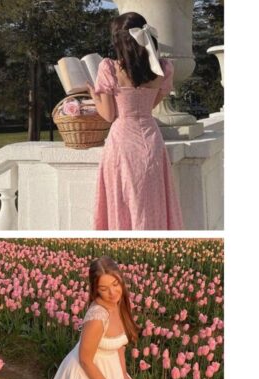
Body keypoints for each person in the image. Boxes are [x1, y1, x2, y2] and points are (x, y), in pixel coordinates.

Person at [88, 12, 183, 230]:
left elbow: (109, 114)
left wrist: (94, 95)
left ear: (119, 41)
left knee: (121, 199)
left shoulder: (109, 68)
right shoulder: (164, 68)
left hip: (122, 142)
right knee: (152, 202)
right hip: (150, 139)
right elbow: (150, 105)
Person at [42, 256, 147, 379]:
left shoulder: (120, 305)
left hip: (111, 365)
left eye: (115, 284)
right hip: (88, 368)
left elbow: (120, 347)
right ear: (95, 290)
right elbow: (85, 360)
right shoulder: (98, 318)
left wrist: (124, 377)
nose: (113, 293)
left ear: (121, 281)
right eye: (104, 289)